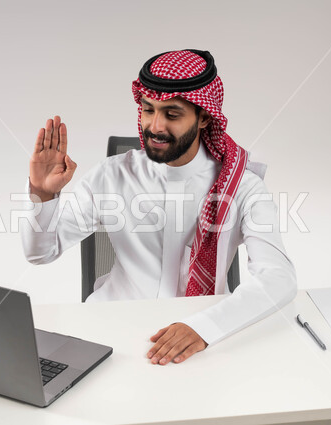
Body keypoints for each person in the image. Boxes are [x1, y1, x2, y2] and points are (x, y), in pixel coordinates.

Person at [21, 49, 297, 366]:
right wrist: (42, 195)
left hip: (199, 337)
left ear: (204, 117)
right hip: (110, 330)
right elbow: (40, 253)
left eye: (172, 114)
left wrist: (204, 328)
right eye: (148, 110)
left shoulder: (243, 186)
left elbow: (279, 279)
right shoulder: (111, 174)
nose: (155, 126)